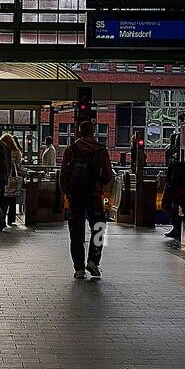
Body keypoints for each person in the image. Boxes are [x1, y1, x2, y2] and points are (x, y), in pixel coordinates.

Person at [59, 119, 112, 279]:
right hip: (94, 195)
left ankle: (79, 268)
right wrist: (99, 183)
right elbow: (108, 174)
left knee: (76, 232)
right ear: (92, 131)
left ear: (79, 132)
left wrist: (66, 192)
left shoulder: (71, 150)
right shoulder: (100, 150)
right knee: (99, 228)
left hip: (75, 197)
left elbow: (63, 175)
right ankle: (93, 261)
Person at [0, 132, 24, 227]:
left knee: (3, 198)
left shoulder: (1, 150)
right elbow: (19, 165)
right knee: (13, 198)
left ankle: (1, 218)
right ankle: (11, 219)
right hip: (13, 176)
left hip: (3, 177)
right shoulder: (17, 151)